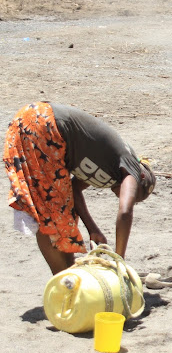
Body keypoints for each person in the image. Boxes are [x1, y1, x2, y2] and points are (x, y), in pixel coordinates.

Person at [4, 102, 156, 274]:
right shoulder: (131, 167)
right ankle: (64, 281)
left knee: (60, 212)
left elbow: (73, 191)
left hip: (32, 122)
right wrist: (119, 261)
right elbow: (125, 212)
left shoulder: (109, 167)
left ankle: (67, 275)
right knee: (52, 215)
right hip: (44, 125)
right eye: (135, 194)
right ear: (140, 178)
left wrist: (92, 229)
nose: (128, 196)